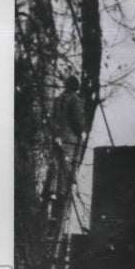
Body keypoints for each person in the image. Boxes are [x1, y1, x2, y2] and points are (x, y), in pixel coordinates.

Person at [51, 76, 85, 207]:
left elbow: (54, 119)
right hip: (70, 138)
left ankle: (53, 192)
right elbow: (78, 120)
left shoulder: (58, 100)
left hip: (58, 137)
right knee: (67, 166)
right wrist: (82, 131)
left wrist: (56, 135)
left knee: (57, 164)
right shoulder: (75, 100)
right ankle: (62, 194)